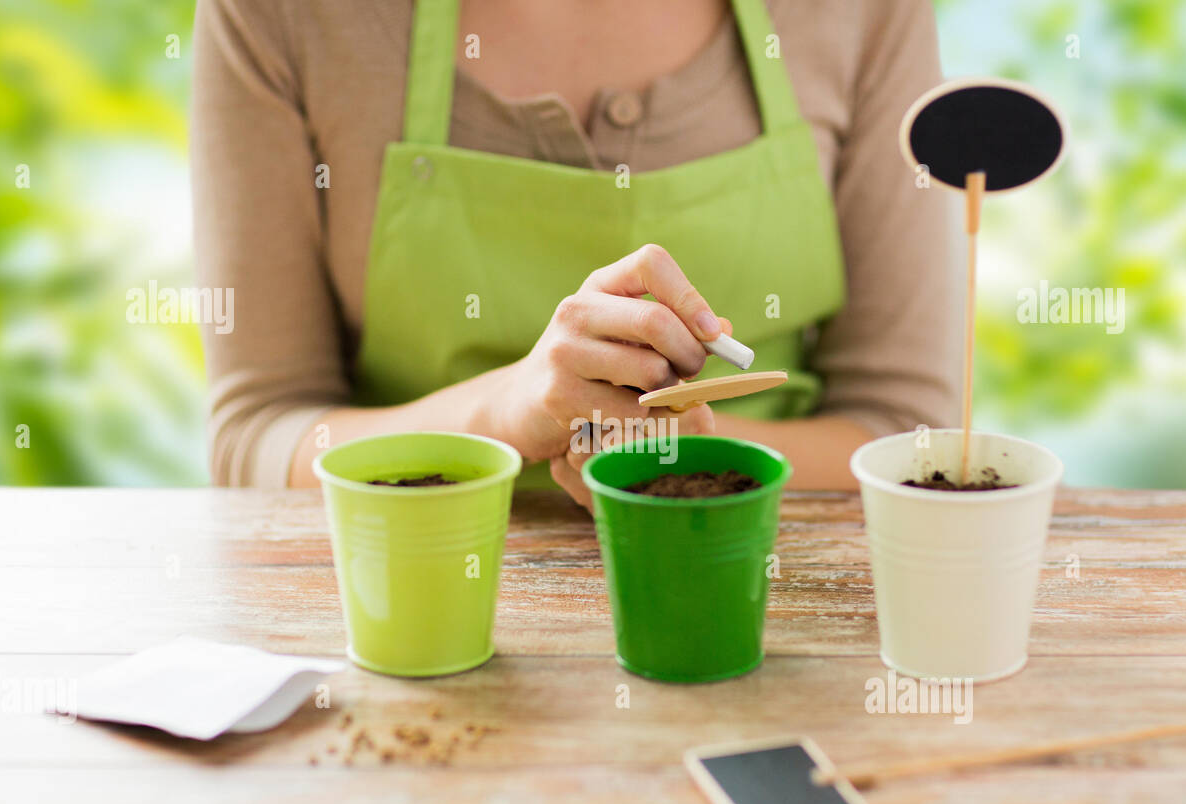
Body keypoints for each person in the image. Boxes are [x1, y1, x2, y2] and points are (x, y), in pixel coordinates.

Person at [191, 0, 960, 505]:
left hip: (766, 598)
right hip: (422, 608)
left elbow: (908, 430)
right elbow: (256, 436)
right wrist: (499, 414)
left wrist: (697, 459)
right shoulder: (282, 16)